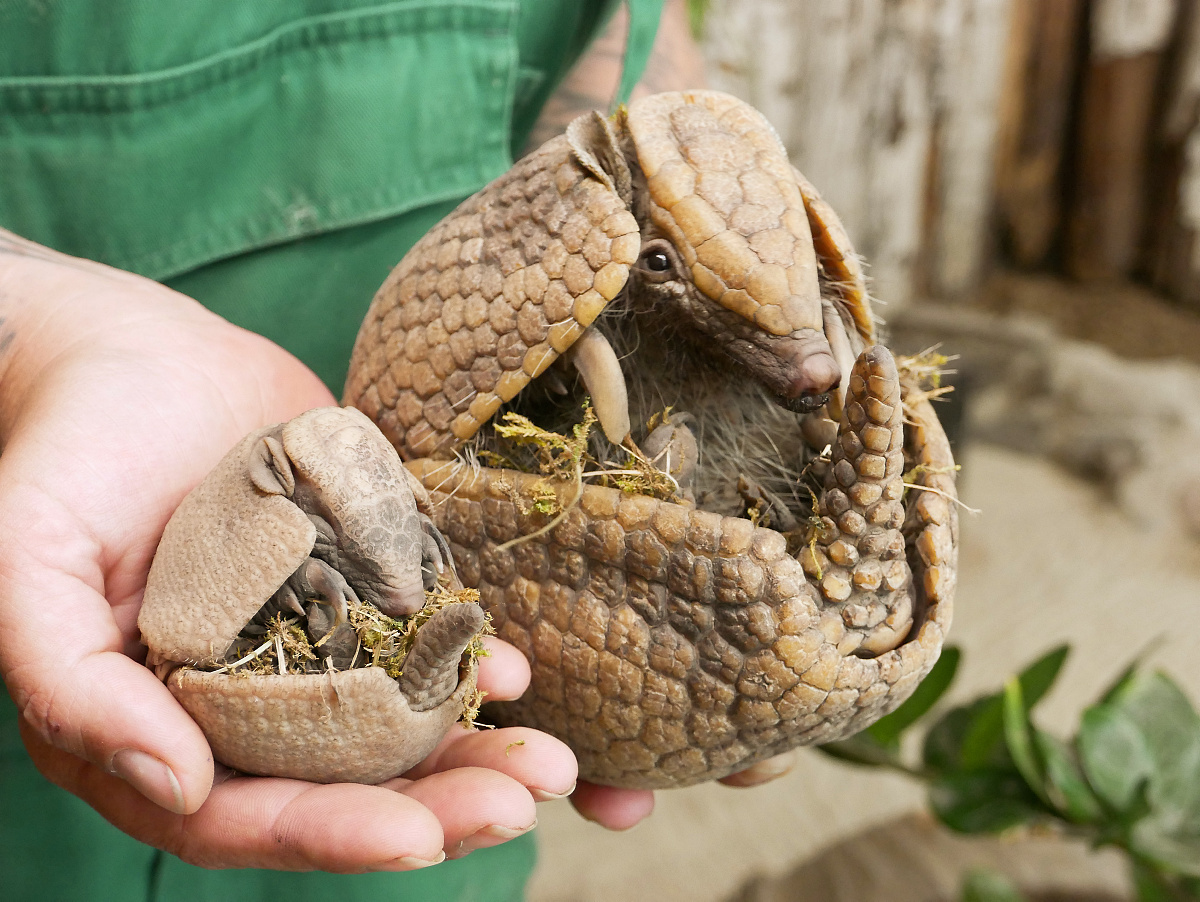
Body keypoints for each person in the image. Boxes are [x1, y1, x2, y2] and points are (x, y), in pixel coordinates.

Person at [0, 1, 785, 898]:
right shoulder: (292, 535)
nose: (414, 599)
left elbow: (619, 30)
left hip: (431, 808)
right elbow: (342, 576)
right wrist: (33, 336)